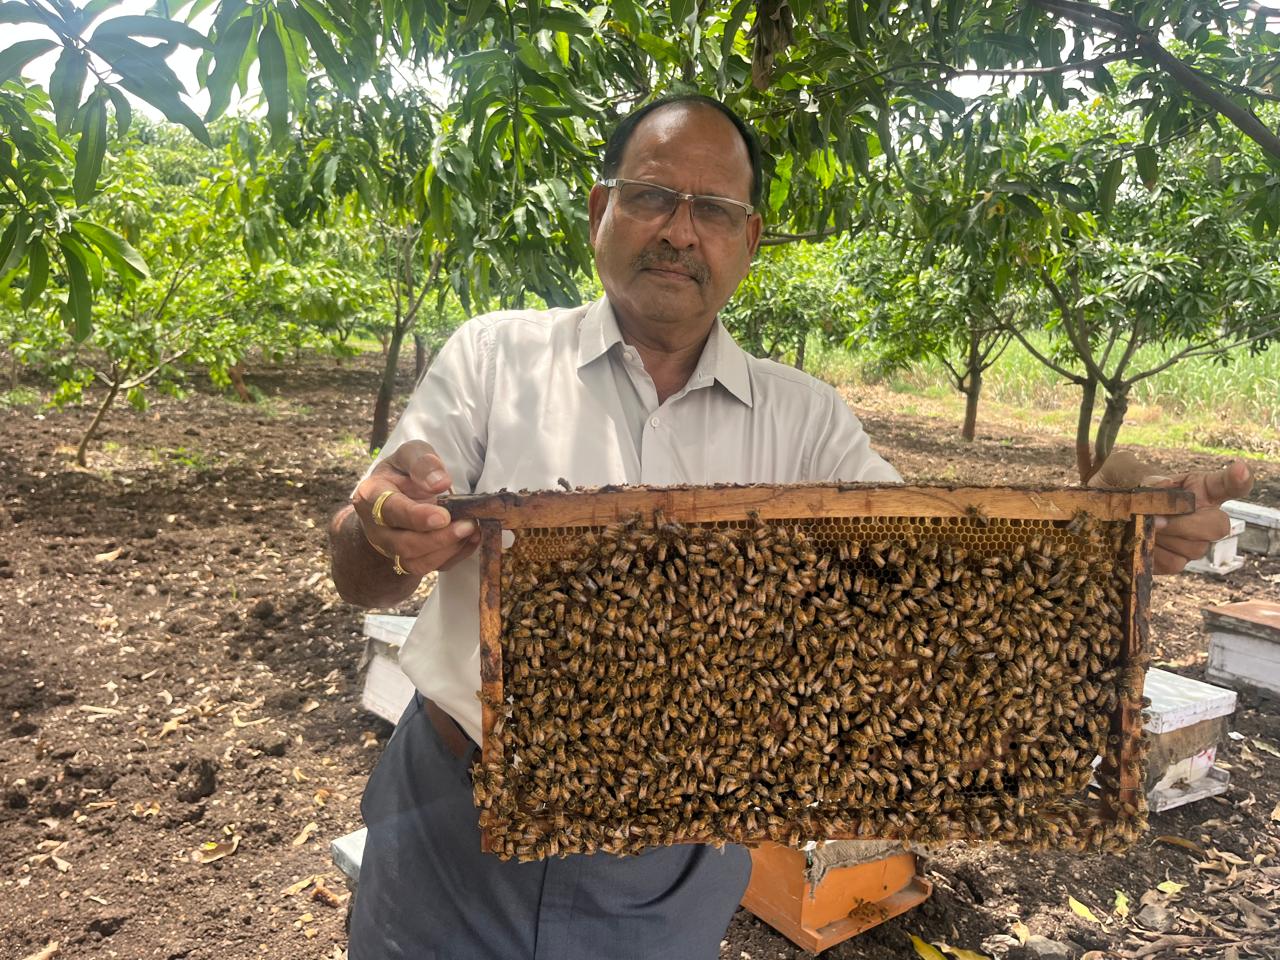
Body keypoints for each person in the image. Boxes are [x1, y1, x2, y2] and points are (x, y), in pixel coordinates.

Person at [328, 95, 1253, 960]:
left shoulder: (809, 422)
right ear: (600, 209)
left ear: (749, 238)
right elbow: (362, 571)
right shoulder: (493, 359)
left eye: (715, 210)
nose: (680, 231)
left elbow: (942, 587)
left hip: (677, 862)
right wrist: (379, 527)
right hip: (450, 824)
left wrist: (1100, 535)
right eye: (653, 197)